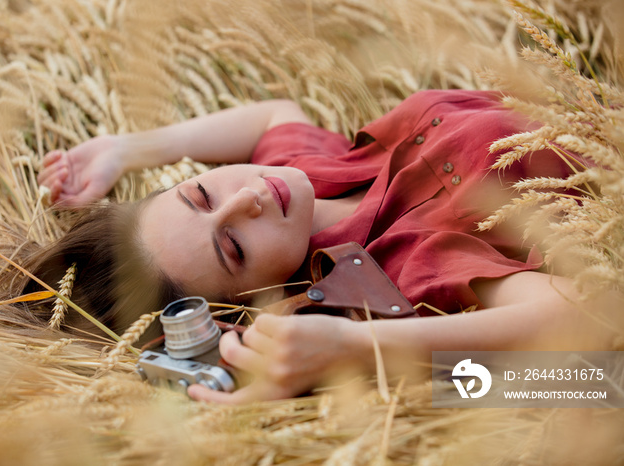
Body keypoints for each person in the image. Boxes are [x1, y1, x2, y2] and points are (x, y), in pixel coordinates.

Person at [35, 90, 622, 404]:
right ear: (256, 296)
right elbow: (586, 316)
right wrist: (354, 344)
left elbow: (274, 114)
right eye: (234, 247)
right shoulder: (398, 260)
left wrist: (127, 149)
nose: (247, 201)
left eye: (201, 193)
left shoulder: (300, 177)